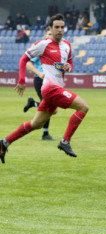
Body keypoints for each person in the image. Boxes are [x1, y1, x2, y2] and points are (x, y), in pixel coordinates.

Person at [0, 14, 89, 164]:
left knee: (36, 124)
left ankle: (4, 142)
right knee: (83, 107)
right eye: (57, 27)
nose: (60, 30)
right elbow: (24, 59)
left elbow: (70, 63)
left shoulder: (67, 45)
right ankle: (65, 141)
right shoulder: (44, 44)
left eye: (62, 27)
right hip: (50, 88)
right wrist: (22, 80)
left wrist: (68, 67)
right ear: (51, 29)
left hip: (55, 88)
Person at [22, 28, 55, 141]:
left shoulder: (56, 50)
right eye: (49, 34)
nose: (51, 36)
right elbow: (28, 64)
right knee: (50, 107)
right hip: (40, 81)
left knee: (53, 109)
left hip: (51, 81)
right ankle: (45, 134)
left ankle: (33, 104)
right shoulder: (40, 49)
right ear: (45, 36)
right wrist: (39, 73)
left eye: (52, 34)